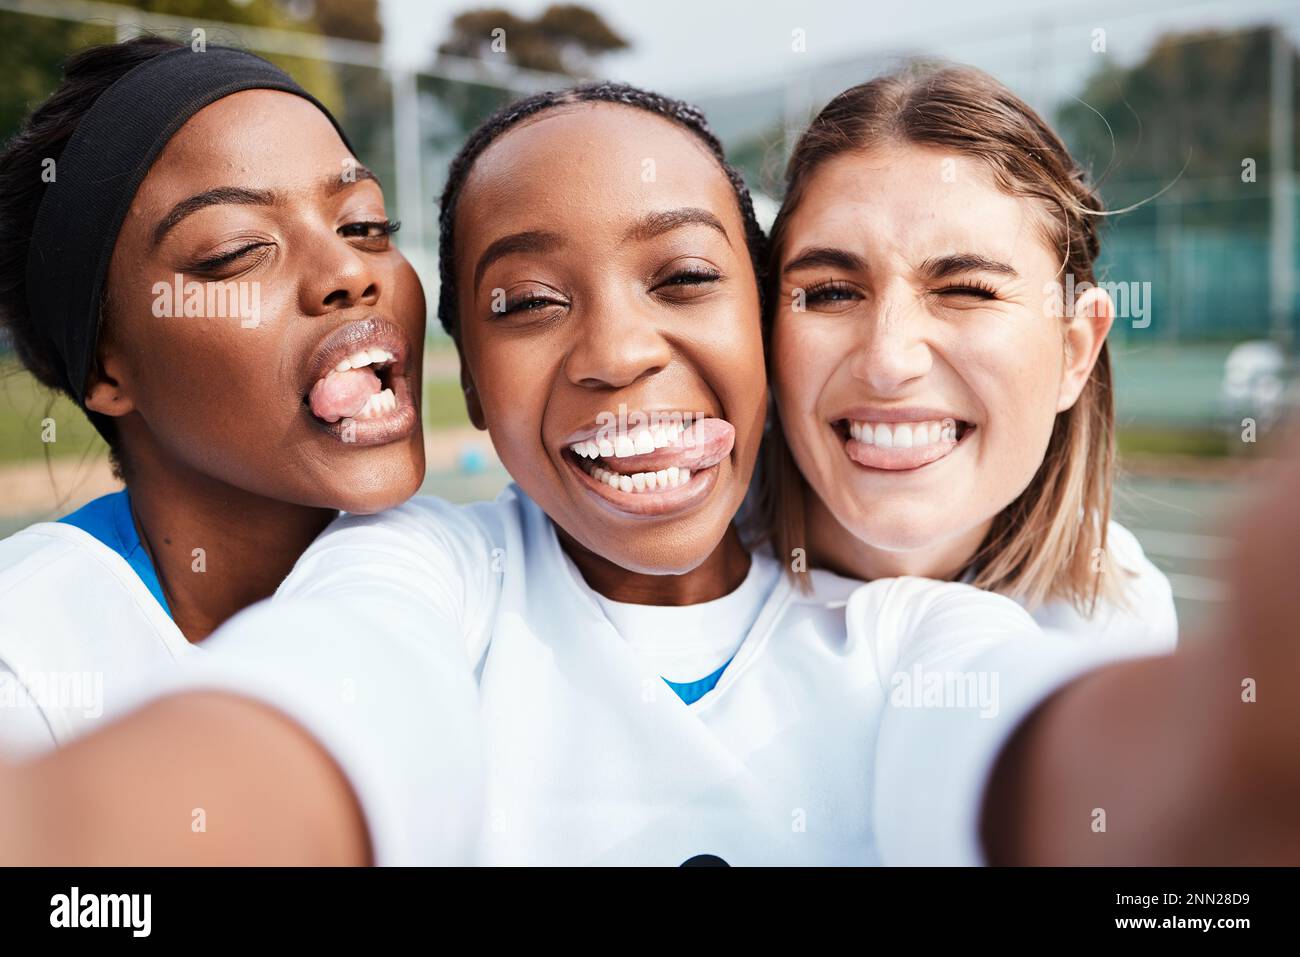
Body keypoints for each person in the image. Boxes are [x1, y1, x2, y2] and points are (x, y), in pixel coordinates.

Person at [0, 83, 1059, 866]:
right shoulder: (417, 573)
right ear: (469, 366)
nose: (615, 352)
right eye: (526, 303)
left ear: (768, 315)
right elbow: (320, 710)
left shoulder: (920, 636)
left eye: (686, 276)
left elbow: (1061, 769)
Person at [0, 38, 426, 755]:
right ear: (108, 368)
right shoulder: (31, 659)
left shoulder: (488, 576)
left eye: (365, 225)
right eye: (235, 251)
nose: (348, 268)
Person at [758, 63, 1174, 654]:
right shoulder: (637, 603)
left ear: (1075, 350)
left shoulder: (1121, 625)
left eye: (967, 291)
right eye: (830, 291)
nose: (887, 360)